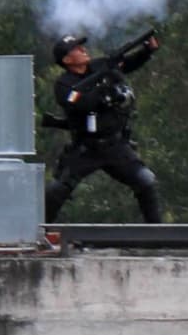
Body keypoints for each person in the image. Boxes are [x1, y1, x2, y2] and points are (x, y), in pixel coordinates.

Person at [46, 33, 162, 224]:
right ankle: (40, 233)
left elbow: (126, 64)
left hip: (115, 146)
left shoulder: (100, 65)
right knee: (56, 190)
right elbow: (81, 103)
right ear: (67, 60)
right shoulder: (64, 84)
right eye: (76, 49)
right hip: (85, 148)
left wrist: (147, 50)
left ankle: (157, 233)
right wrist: (103, 85)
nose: (83, 50)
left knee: (146, 181)